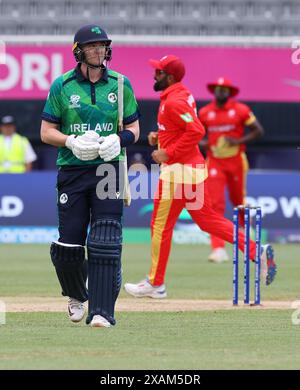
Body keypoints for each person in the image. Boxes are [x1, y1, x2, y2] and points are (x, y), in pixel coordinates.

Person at [124, 55, 276, 299]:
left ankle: (156, 283)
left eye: (158, 72)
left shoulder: (173, 101)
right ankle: (257, 251)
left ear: (169, 77)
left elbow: (196, 130)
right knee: (208, 221)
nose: (154, 75)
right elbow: (181, 128)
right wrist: (158, 137)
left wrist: (168, 152)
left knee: (160, 226)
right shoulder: (179, 95)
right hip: (191, 170)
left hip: (178, 172)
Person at [40, 24, 140, 327]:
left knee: (106, 239)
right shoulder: (62, 85)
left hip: (108, 169)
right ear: (78, 51)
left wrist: (118, 141)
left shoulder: (121, 84)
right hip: (72, 169)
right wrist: (70, 141)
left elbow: (134, 129)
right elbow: (46, 132)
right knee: (68, 246)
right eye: (92, 46)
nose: (98, 51)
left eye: (102, 46)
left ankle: (102, 312)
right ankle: (76, 294)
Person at [198, 77, 264, 263]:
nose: (221, 92)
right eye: (218, 89)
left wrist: (238, 141)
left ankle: (244, 233)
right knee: (215, 204)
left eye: (224, 89)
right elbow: (197, 135)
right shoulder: (205, 112)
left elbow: (259, 131)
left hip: (236, 161)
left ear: (229, 92)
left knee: (238, 201)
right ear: (214, 91)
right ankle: (218, 249)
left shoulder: (241, 110)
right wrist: (204, 143)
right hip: (215, 162)